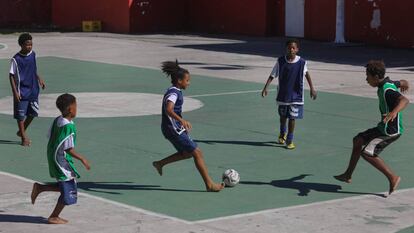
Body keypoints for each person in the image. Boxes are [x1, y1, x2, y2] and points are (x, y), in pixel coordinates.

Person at [334, 60, 409, 196]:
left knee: (367, 153)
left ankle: (392, 177)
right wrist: (405, 83)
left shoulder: (387, 90)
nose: (366, 79)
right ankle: (348, 175)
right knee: (357, 140)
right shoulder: (387, 83)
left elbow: (404, 100)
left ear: (375, 77)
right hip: (383, 127)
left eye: (367, 76)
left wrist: (393, 113)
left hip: (390, 131)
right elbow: (401, 82)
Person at [152, 60, 224, 192]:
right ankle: (210, 185)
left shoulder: (174, 90)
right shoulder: (174, 93)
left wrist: (181, 122)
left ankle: (160, 163)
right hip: (172, 129)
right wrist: (181, 120)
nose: (189, 83)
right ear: (179, 80)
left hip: (172, 128)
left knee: (186, 153)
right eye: (187, 80)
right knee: (197, 153)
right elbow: (169, 109)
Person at [31, 93, 91, 224]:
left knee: (66, 185)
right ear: (70, 109)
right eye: (76, 106)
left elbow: (50, 136)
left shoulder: (58, 120)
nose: (77, 108)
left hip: (52, 155)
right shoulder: (69, 127)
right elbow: (68, 149)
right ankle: (54, 216)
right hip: (60, 160)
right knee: (69, 190)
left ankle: (40, 188)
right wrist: (82, 159)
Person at [262, 39, 317, 149]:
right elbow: (272, 75)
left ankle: (290, 140)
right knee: (283, 116)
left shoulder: (302, 62)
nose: (291, 50)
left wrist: (312, 88)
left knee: (292, 117)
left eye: (293, 48)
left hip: (296, 95)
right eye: (289, 48)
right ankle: (282, 133)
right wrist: (265, 88)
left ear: (297, 49)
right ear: (286, 49)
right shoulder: (281, 61)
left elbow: (307, 74)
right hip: (283, 95)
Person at [9, 33, 46, 146]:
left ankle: (21, 131)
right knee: (21, 116)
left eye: (31, 44)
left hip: (33, 89)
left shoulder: (33, 54)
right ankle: (24, 138)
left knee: (33, 113)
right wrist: (15, 93)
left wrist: (39, 78)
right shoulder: (16, 59)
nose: (29, 46)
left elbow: (33, 69)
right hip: (22, 91)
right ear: (21, 45)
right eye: (27, 44)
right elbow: (11, 76)